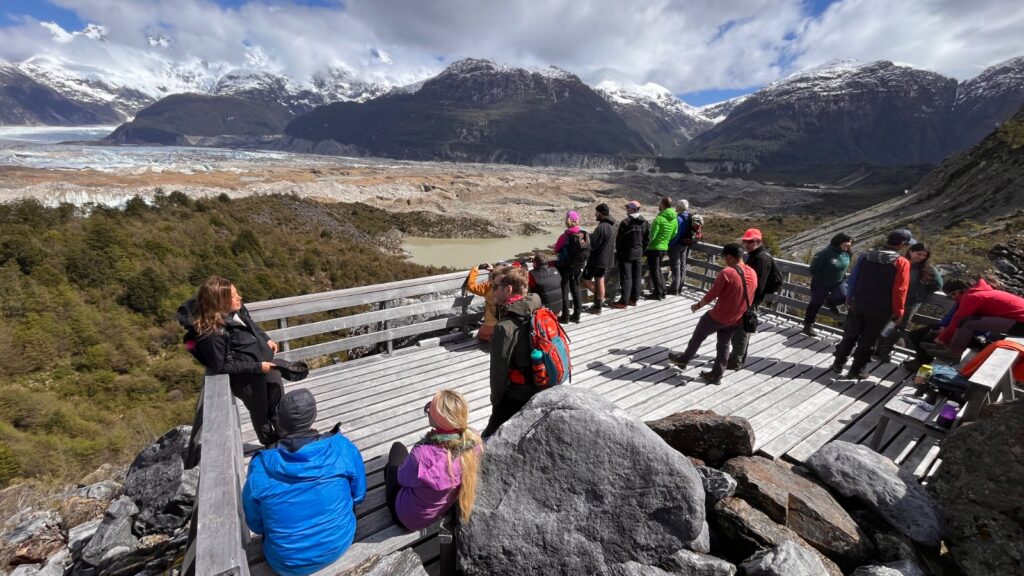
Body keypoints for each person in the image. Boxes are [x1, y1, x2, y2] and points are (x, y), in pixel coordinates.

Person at [242, 389, 366, 576]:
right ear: (313, 416)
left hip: (287, 563)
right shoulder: (342, 447)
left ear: (280, 420)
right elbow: (358, 495)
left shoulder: (261, 465)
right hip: (340, 542)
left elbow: (256, 524)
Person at [177, 276, 283, 446]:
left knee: (277, 398)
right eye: (233, 296)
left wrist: (265, 338)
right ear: (220, 302)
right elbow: (221, 366)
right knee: (260, 412)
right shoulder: (211, 334)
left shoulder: (237, 310)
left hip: (265, 367)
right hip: (248, 379)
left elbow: (251, 325)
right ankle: (270, 443)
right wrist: (257, 366)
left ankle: (284, 435)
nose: (239, 297)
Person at [385, 390, 483, 531]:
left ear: (439, 419)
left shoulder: (422, 454)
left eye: (430, 409)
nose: (428, 410)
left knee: (396, 452)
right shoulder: (473, 441)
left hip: (406, 516)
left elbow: (402, 479)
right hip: (437, 510)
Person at [668, 243, 757, 384]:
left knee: (698, 336)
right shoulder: (752, 272)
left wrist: (697, 305)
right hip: (736, 318)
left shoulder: (727, 273)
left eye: (725, 257)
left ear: (730, 257)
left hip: (719, 316)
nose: (724, 260)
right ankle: (716, 375)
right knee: (724, 345)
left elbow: (712, 294)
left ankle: (684, 360)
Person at [831, 229, 912, 380]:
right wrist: (899, 312)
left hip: (858, 303)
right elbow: (900, 290)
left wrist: (849, 299)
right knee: (868, 340)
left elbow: (853, 279)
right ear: (901, 244)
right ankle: (855, 370)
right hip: (881, 308)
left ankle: (838, 364)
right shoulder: (901, 263)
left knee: (850, 335)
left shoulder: (865, 256)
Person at [483, 267, 543, 437]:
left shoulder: (504, 327)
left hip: (517, 394)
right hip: (540, 383)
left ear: (508, 289)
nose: (492, 290)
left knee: (489, 437)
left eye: (495, 287)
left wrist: (496, 402)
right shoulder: (536, 305)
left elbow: (498, 372)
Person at [924, 277, 1024, 362]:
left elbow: (958, 319)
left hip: (1021, 323)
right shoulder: (982, 292)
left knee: (966, 323)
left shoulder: (972, 297)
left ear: (961, 290)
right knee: (967, 322)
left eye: (953, 294)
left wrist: (942, 338)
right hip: (1018, 320)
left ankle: (954, 354)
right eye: (950, 297)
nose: (953, 298)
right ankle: (949, 348)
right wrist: (944, 334)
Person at [874, 242, 943, 361]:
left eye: (924, 255)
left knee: (897, 326)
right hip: (892, 299)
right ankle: (876, 348)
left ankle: (884, 351)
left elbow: (938, 284)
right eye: (918, 253)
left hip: (910, 303)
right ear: (910, 251)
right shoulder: (900, 262)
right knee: (883, 323)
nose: (921, 257)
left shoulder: (928, 268)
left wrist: (920, 292)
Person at [728, 228, 780, 370]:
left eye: (750, 242)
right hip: (749, 299)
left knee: (742, 330)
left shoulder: (760, 258)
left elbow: (759, 284)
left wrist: (749, 302)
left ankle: (736, 360)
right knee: (743, 329)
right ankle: (737, 358)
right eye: (745, 241)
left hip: (750, 300)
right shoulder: (755, 255)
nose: (746, 244)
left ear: (758, 241)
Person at [803, 233, 854, 337]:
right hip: (821, 283)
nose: (849, 245)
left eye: (850, 244)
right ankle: (808, 325)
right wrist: (823, 280)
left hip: (838, 282)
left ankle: (830, 302)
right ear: (839, 242)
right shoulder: (824, 253)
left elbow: (843, 268)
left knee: (845, 296)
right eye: (847, 243)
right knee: (815, 303)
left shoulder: (847, 253)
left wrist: (843, 278)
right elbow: (813, 269)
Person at [610, 200, 650, 309]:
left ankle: (623, 302)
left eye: (627, 207)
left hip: (626, 254)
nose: (626, 209)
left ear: (632, 209)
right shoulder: (645, 222)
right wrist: (642, 250)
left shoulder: (625, 222)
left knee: (626, 278)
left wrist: (619, 252)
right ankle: (634, 299)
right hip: (638, 253)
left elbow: (619, 241)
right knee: (637, 276)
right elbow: (647, 239)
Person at [581, 203, 616, 315]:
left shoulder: (601, 227)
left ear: (601, 213)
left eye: (596, 212)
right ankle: (599, 304)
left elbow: (593, 245)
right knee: (600, 280)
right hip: (607, 259)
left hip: (597, 259)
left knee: (585, 279)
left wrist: (587, 239)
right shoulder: (611, 226)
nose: (595, 214)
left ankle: (599, 302)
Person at [553, 210, 585, 323]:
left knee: (564, 290)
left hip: (565, 266)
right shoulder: (583, 234)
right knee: (576, 290)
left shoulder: (564, 236)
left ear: (568, 220)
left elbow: (556, 249)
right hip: (578, 266)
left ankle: (565, 317)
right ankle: (577, 315)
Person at [645, 197, 678, 300]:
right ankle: (663, 291)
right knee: (658, 269)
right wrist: (665, 240)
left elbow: (652, 236)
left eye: (659, 203)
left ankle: (657, 293)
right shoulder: (674, 219)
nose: (658, 205)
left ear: (663, 204)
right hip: (664, 247)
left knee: (654, 271)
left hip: (654, 248)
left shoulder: (659, 219)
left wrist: (646, 244)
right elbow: (674, 233)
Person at [465, 262, 506, 342]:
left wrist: (474, 270)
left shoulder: (488, 286)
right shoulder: (510, 286)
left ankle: (494, 340)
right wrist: (493, 271)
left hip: (492, 323)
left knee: (480, 335)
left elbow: (471, 286)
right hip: (506, 322)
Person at [667, 200, 693, 297]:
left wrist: (670, 244)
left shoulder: (679, 219)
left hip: (676, 245)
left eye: (677, 205)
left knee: (676, 267)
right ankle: (680, 287)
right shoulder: (689, 217)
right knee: (683, 265)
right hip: (685, 245)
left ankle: (674, 290)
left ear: (679, 207)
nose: (675, 207)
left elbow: (676, 235)